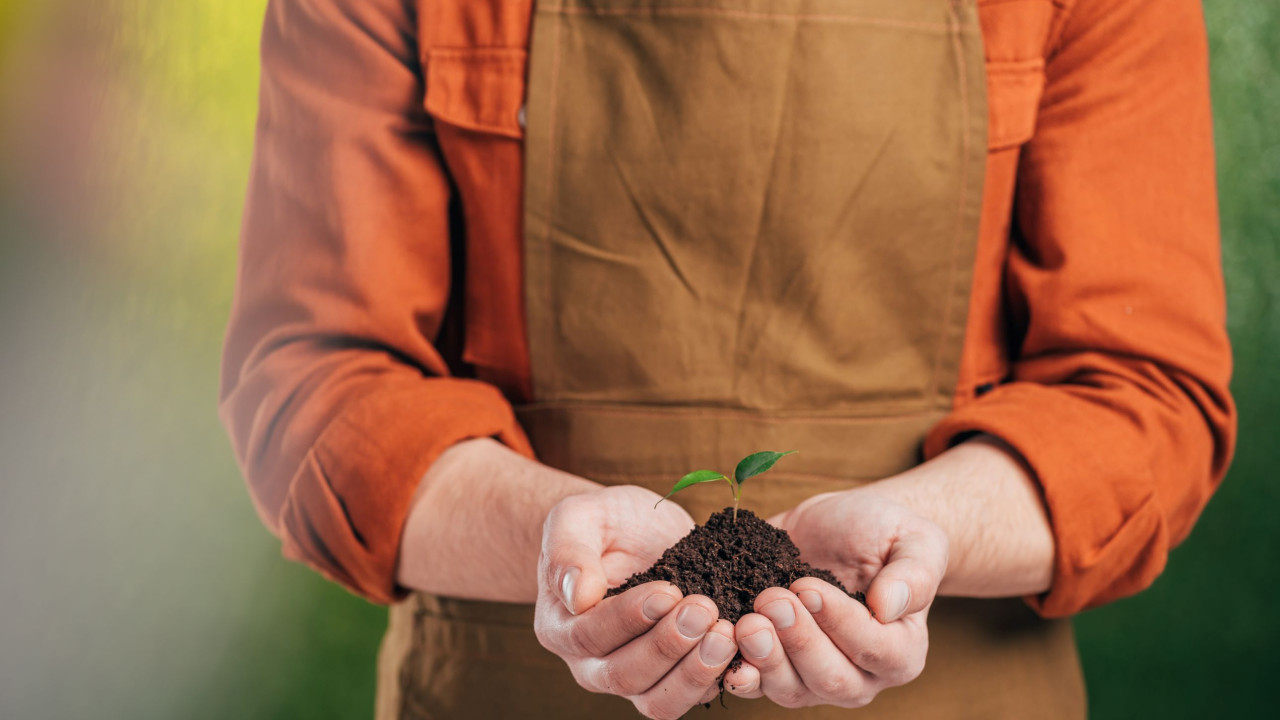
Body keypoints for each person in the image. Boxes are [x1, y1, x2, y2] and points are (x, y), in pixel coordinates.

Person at [219, 0, 1235, 717]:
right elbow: (314, 383)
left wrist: (924, 533)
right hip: (505, 692)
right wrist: (548, 541)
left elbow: (1140, 396)